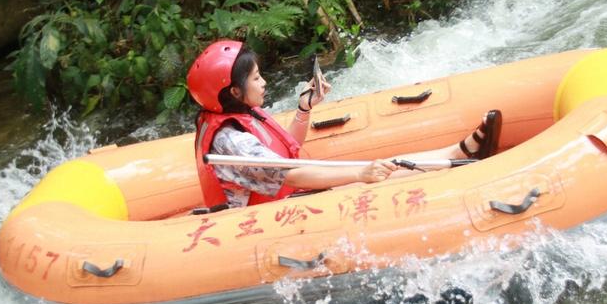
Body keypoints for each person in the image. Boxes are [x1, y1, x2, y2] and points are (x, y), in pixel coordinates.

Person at [186, 40, 502, 208]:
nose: (265, 82)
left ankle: (456, 154)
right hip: (261, 220)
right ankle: (457, 159)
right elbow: (291, 176)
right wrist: (359, 174)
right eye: (256, 78)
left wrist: (304, 109)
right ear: (234, 92)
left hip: (280, 198)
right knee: (369, 176)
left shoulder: (241, 114)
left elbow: (285, 154)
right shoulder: (230, 140)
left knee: (371, 171)